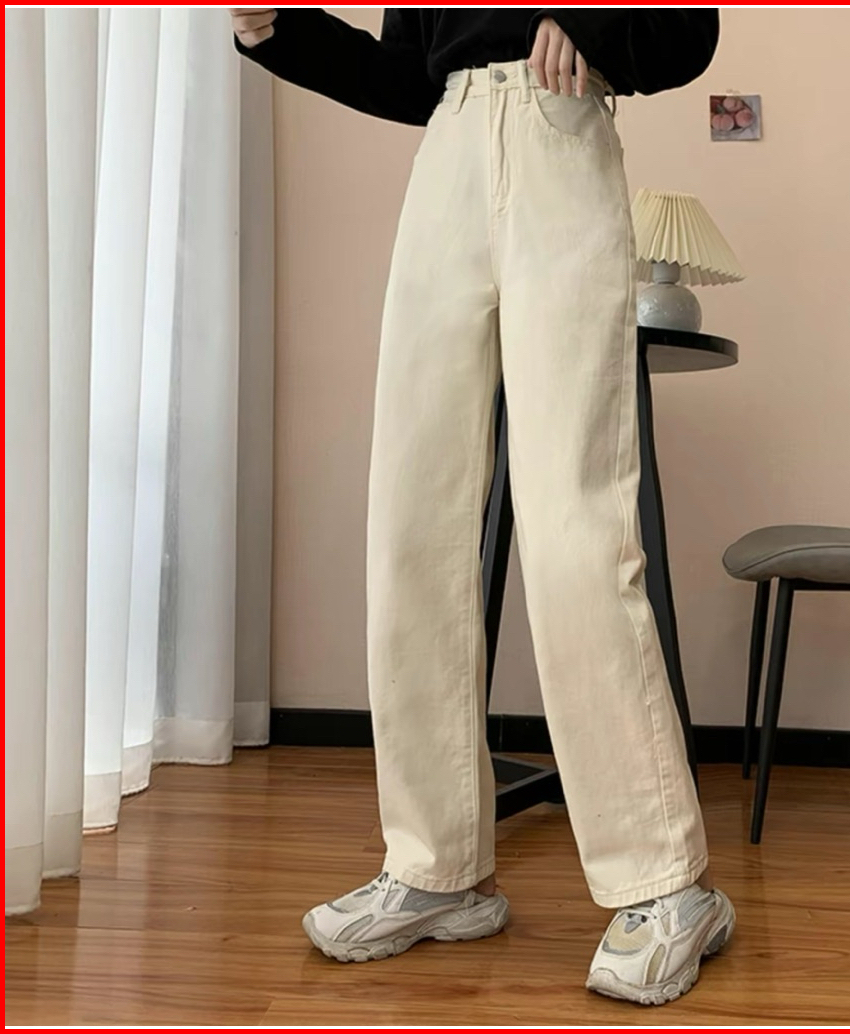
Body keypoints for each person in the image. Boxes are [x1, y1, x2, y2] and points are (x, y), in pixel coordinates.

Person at [232, 7, 733, 1006]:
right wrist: (279, 31)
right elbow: (409, 77)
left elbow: (688, 31)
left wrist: (590, 27)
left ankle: (666, 883)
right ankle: (438, 867)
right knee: (409, 524)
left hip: (559, 135)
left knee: (573, 529)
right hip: (447, 158)